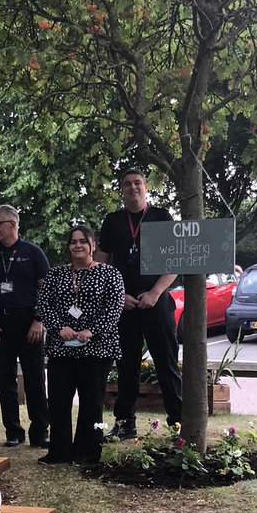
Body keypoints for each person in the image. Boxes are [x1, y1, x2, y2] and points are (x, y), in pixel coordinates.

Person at [95, 166, 182, 438]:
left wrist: (155, 292)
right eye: (127, 184)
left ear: (146, 187)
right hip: (124, 305)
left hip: (157, 302)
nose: (132, 187)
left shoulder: (161, 217)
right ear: (121, 190)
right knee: (126, 366)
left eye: (137, 183)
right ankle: (124, 424)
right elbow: (100, 263)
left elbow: (175, 261)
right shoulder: (112, 221)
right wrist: (118, 296)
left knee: (166, 363)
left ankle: (178, 424)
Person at [36, 225, 124, 465]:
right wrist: (58, 328)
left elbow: (114, 308)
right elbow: (44, 304)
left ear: (93, 245)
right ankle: (59, 452)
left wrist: (91, 331)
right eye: (73, 241)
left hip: (97, 349)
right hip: (61, 348)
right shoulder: (55, 274)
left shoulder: (110, 274)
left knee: (92, 403)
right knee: (58, 401)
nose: (77, 245)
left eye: (83, 241)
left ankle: (88, 452)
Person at [0, 205, 51, 448]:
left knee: (35, 378)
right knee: (3, 379)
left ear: (13, 225)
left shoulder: (34, 253)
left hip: (29, 322)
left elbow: (47, 290)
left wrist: (39, 320)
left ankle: (40, 432)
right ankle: (13, 432)